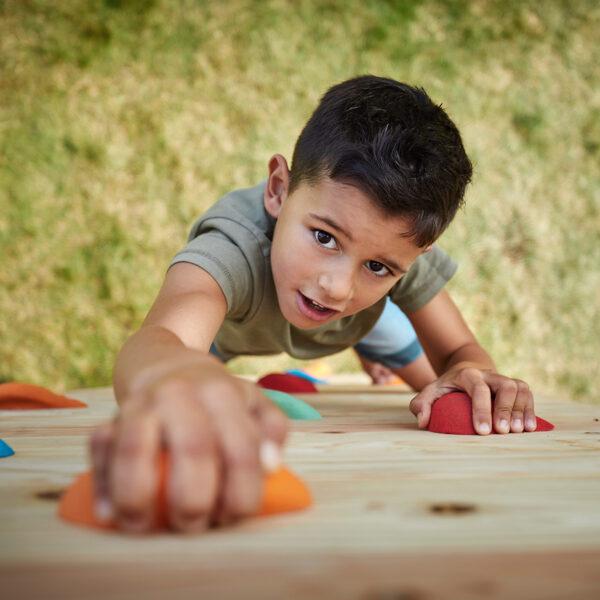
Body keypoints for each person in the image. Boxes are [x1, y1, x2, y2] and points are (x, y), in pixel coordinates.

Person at [92, 75, 537, 534]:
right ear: (279, 190)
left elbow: (461, 351)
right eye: (324, 238)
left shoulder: (396, 246)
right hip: (234, 329)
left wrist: (471, 371)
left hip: (358, 325)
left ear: (417, 257)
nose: (337, 288)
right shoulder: (235, 246)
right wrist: (171, 372)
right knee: (194, 390)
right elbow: (161, 339)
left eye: (379, 267)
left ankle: (371, 346)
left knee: (439, 396)